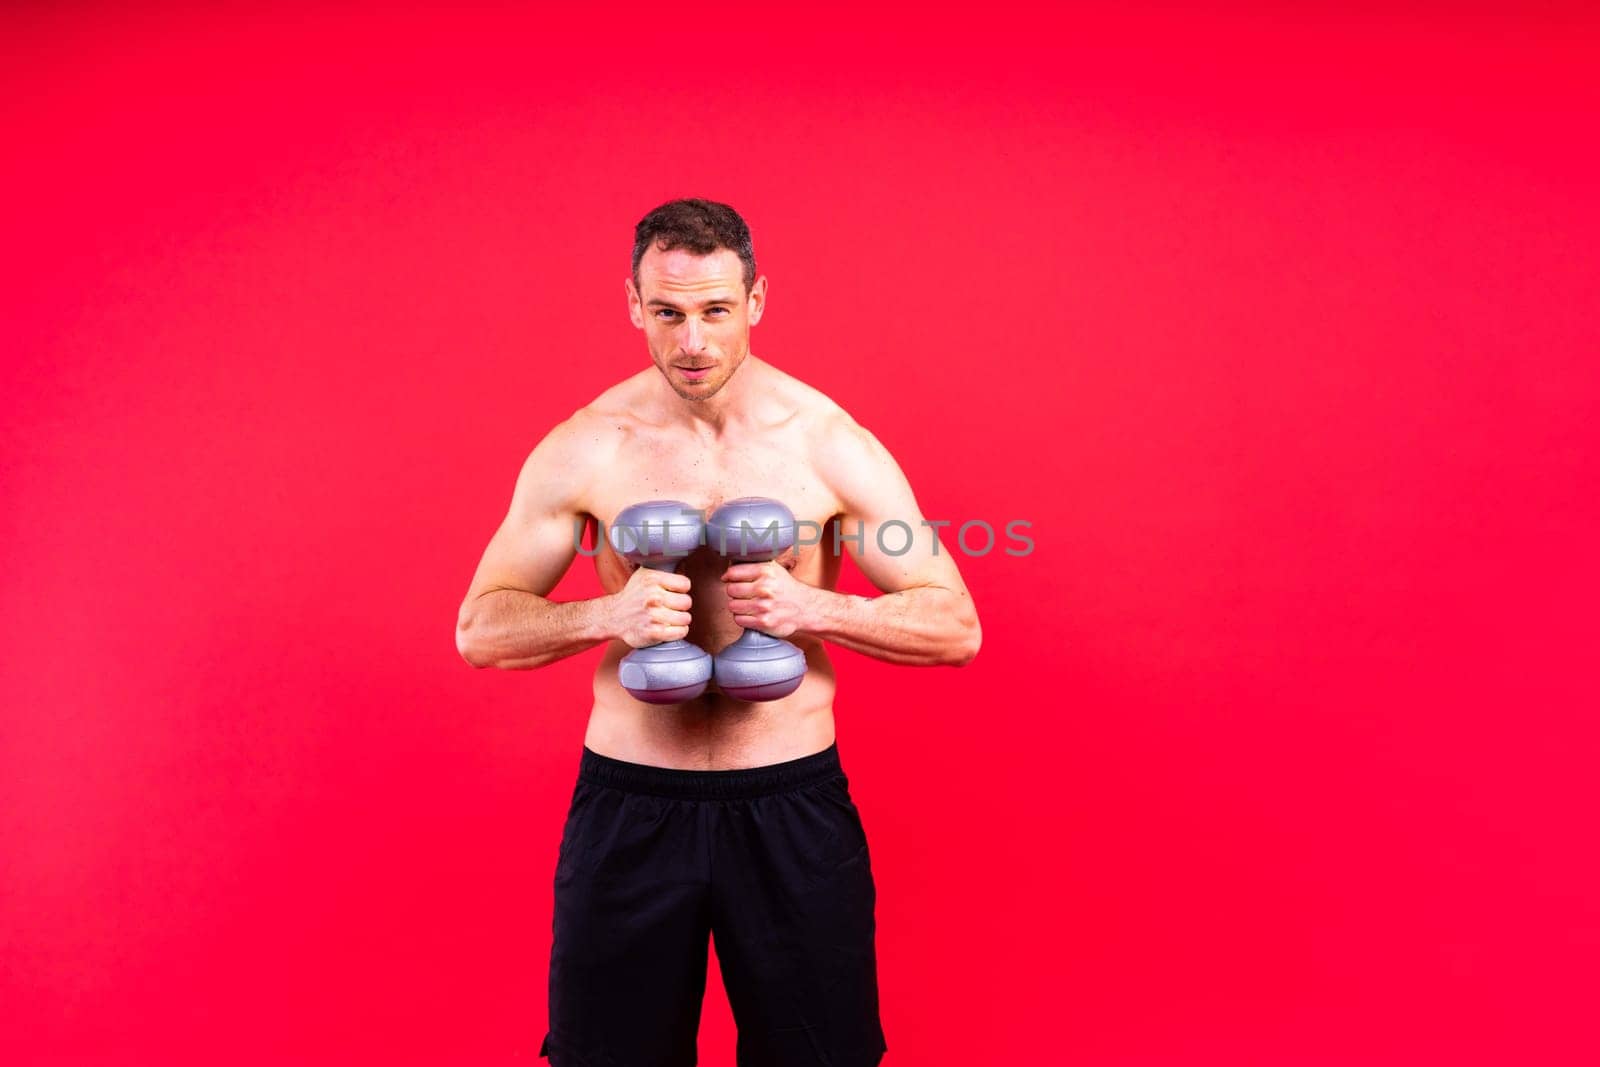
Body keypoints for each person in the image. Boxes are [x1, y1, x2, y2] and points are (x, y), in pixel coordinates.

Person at [455, 198, 982, 1066]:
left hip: (790, 804)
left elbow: (954, 622)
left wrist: (815, 609)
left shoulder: (828, 446)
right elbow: (480, 627)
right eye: (666, 313)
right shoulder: (588, 448)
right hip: (631, 804)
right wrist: (606, 615)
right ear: (633, 304)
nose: (691, 341)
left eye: (714, 311)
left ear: (757, 301)